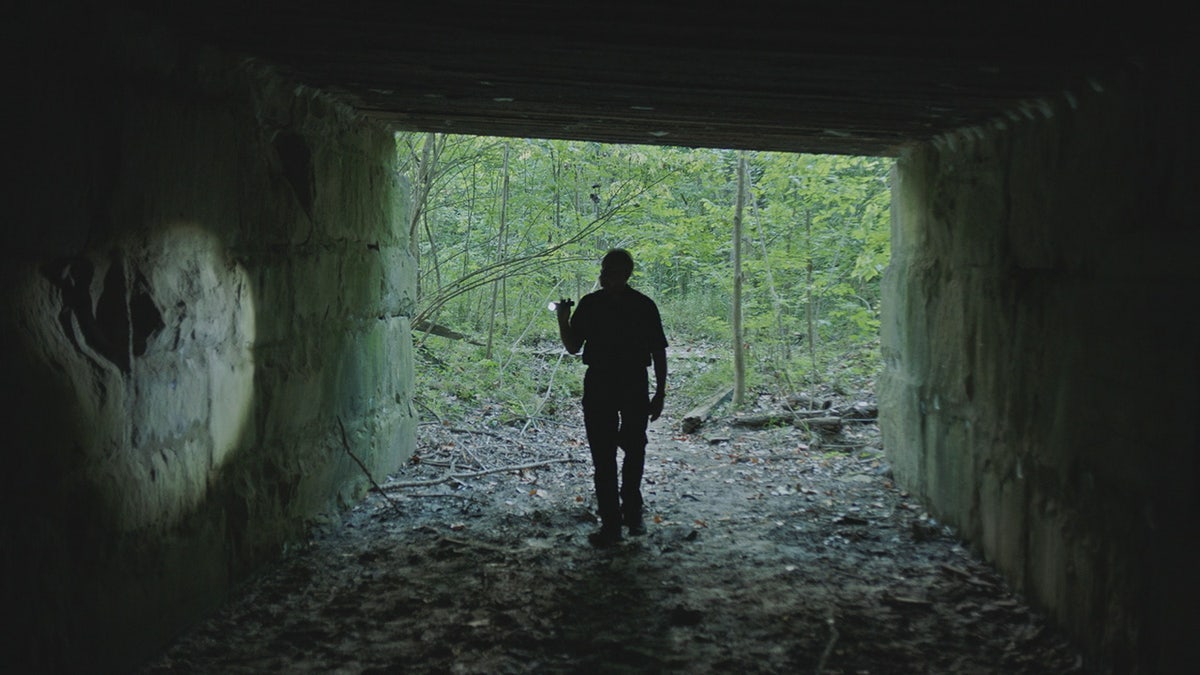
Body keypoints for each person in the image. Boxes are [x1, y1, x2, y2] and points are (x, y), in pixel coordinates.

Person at [557, 249, 668, 547]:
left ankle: (631, 515)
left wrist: (659, 392)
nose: (607, 276)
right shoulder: (592, 304)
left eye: (613, 271)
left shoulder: (643, 306)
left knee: (634, 450)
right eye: (606, 270)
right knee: (603, 455)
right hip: (602, 384)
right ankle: (613, 523)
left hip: (629, 384)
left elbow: (659, 350)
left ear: (627, 273)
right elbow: (572, 346)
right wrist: (562, 318)